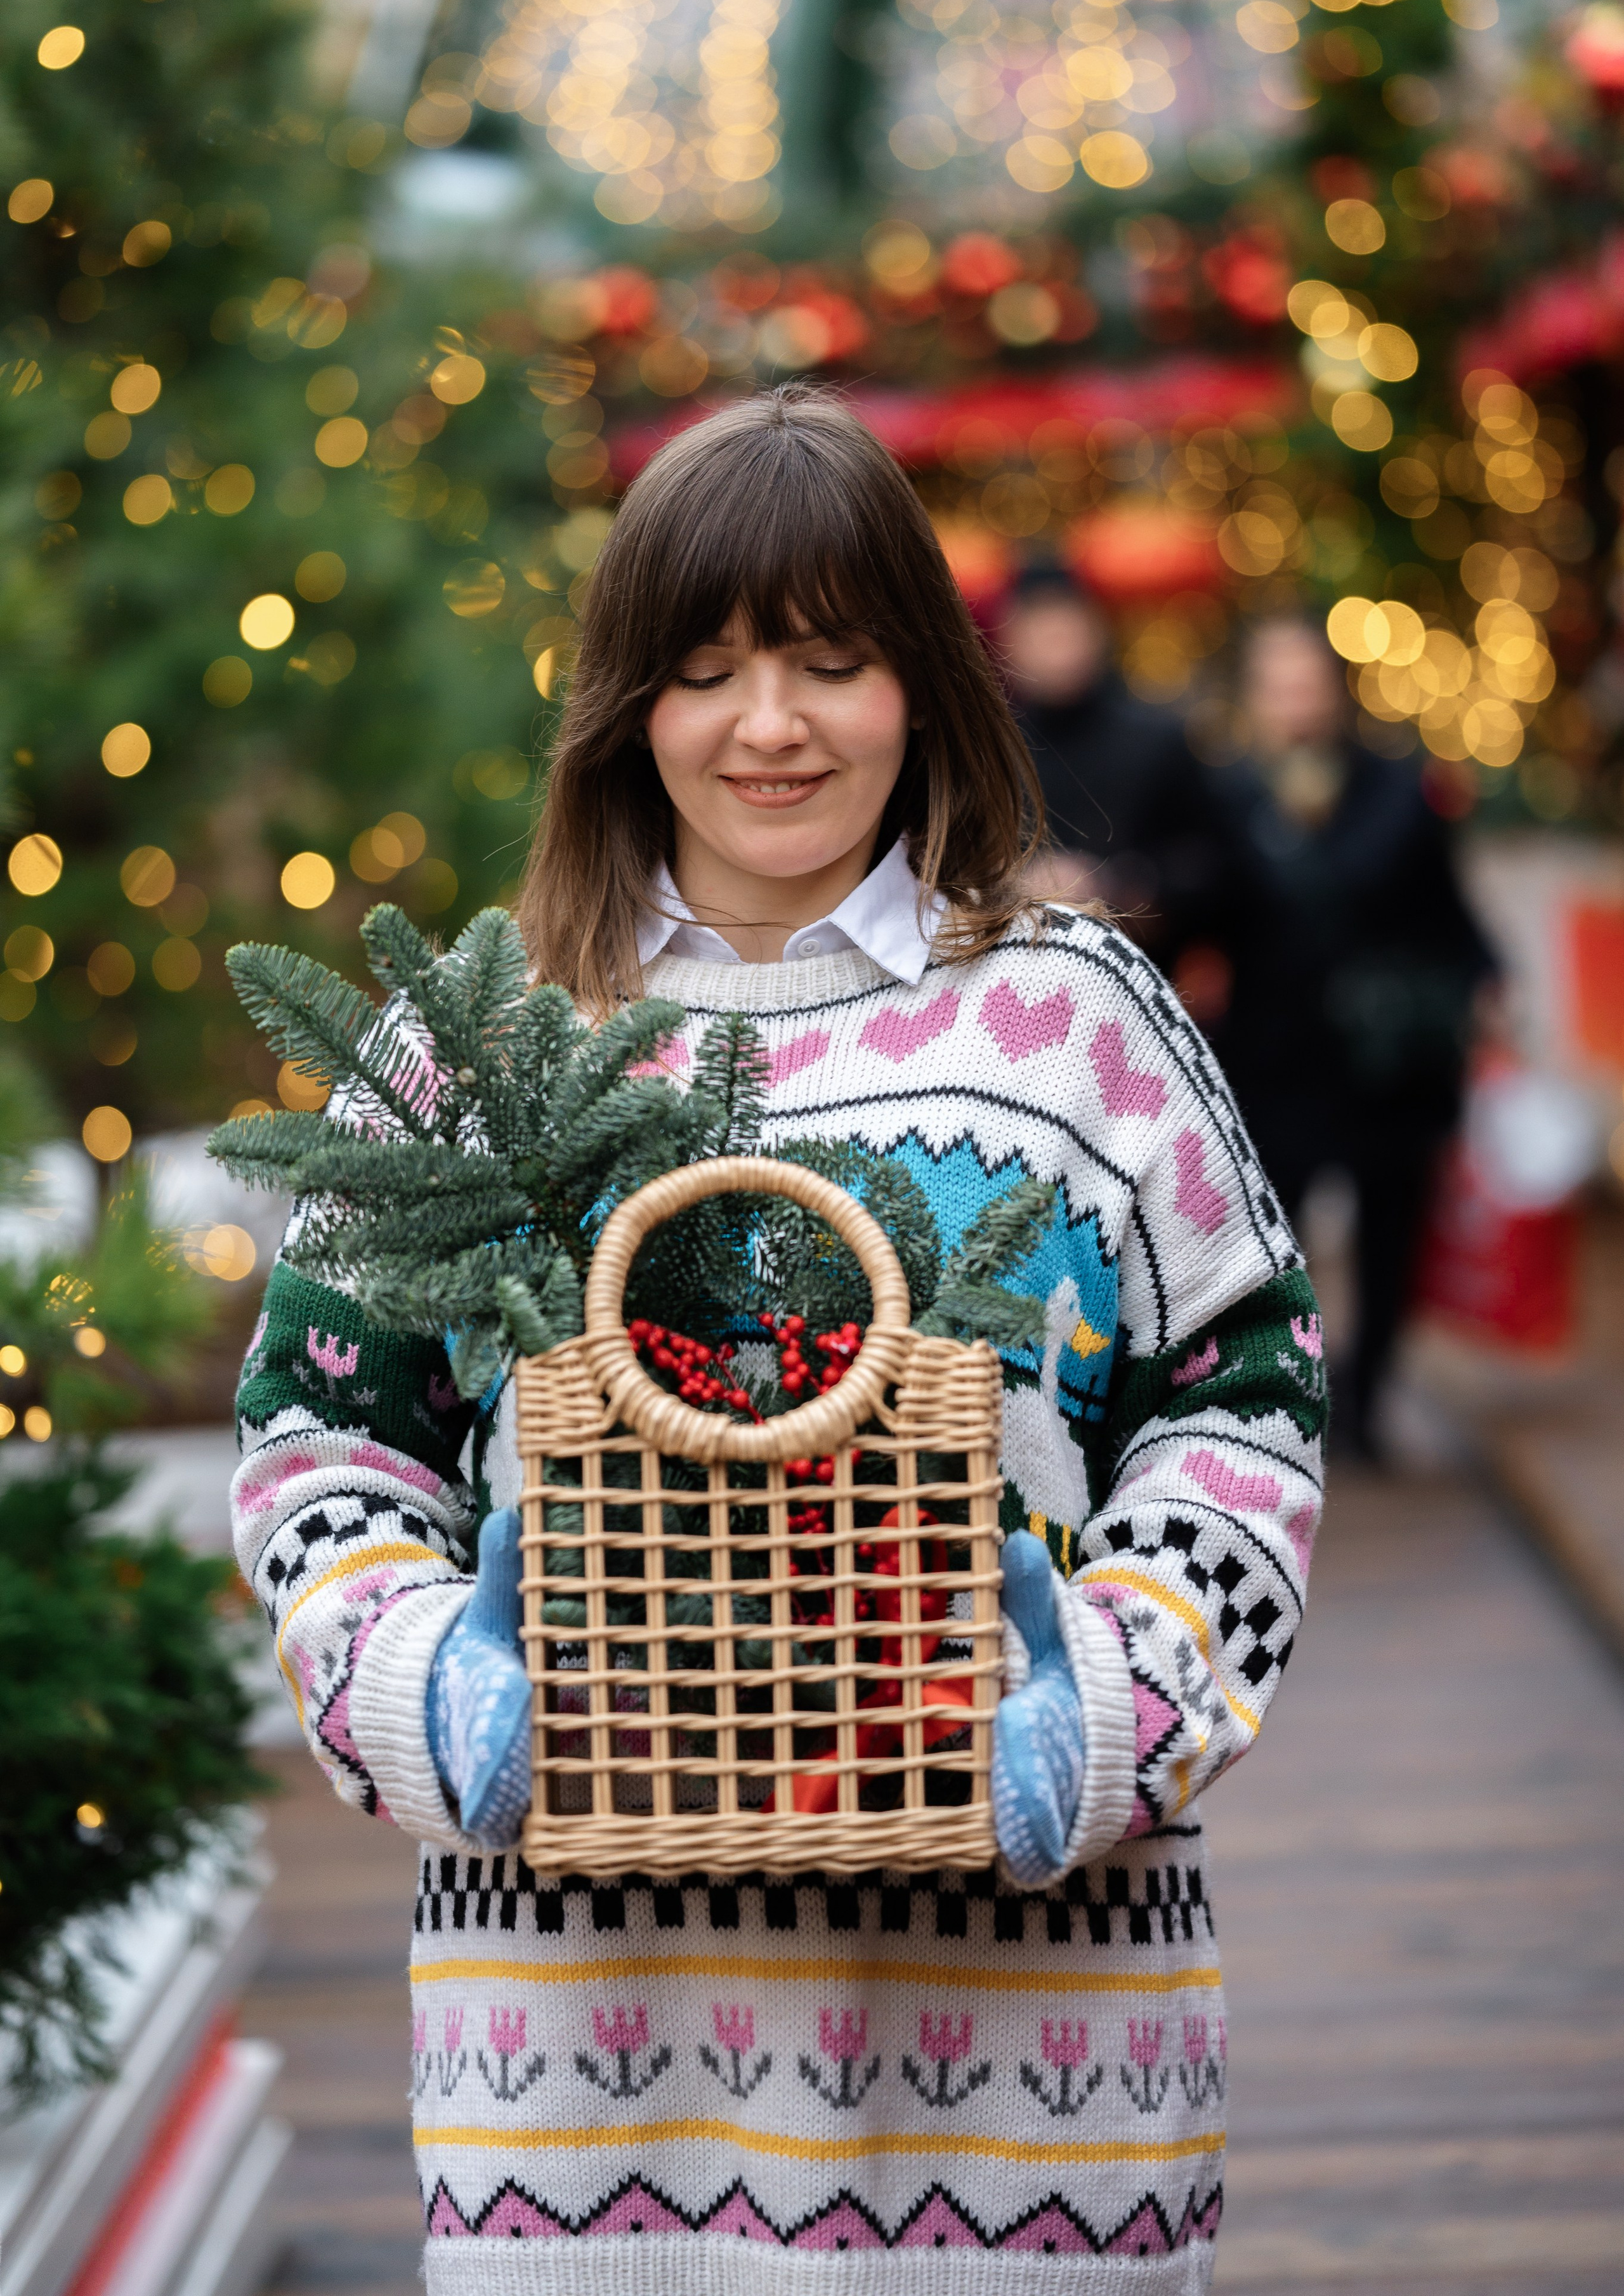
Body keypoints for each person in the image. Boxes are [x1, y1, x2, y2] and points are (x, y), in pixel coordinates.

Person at [230, 390, 1325, 2293]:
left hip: (1029, 2083)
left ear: (923, 688)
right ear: (623, 706)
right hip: (581, 2079)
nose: (769, 724)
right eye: (708, 668)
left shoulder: (1072, 1018)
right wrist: (444, 1704)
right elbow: (325, 1450)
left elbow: (1246, 1400)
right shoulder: (481, 1047)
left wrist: (1096, 1725)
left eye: (833, 659)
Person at [1199, 612, 1494, 1461]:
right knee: (1270, 1241)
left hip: (1389, 1061)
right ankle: (1284, 1402)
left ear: (1336, 690)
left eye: (1306, 683)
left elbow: (1447, 908)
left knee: (1392, 1234)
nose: (1292, 702)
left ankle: (1367, 1403)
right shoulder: (1228, 798)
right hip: (1273, 1055)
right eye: (1275, 685)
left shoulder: (1404, 789)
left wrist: (1485, 977)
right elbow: (1199, 908)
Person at [1000, 558, 1212, 964]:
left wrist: (1114, 885)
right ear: (1011, 639)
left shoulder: (1158, 739)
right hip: (1014, 976)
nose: (1055, 641)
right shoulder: (990, 748)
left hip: (1142, 970)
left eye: (1066, 624)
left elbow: (1209, 868)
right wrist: (1015, 884)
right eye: (1040, 627)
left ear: (1096, 628)